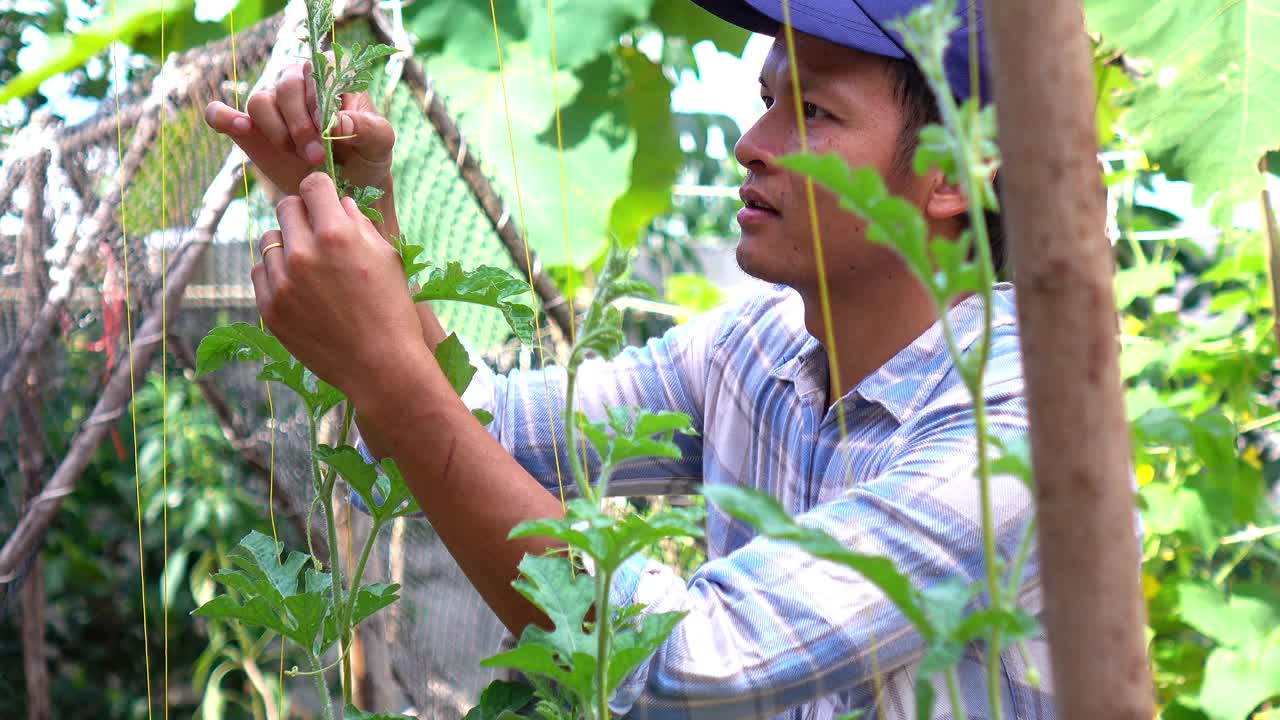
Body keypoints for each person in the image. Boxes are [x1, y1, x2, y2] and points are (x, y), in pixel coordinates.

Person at [204, 0, 1050, 716]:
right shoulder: (754, 349)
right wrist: (363, 213)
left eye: (814, 113)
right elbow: (481, 424)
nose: (750, 142)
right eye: (764, 99)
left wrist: (389, 372)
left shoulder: (1023, 424)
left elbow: (692, 659)